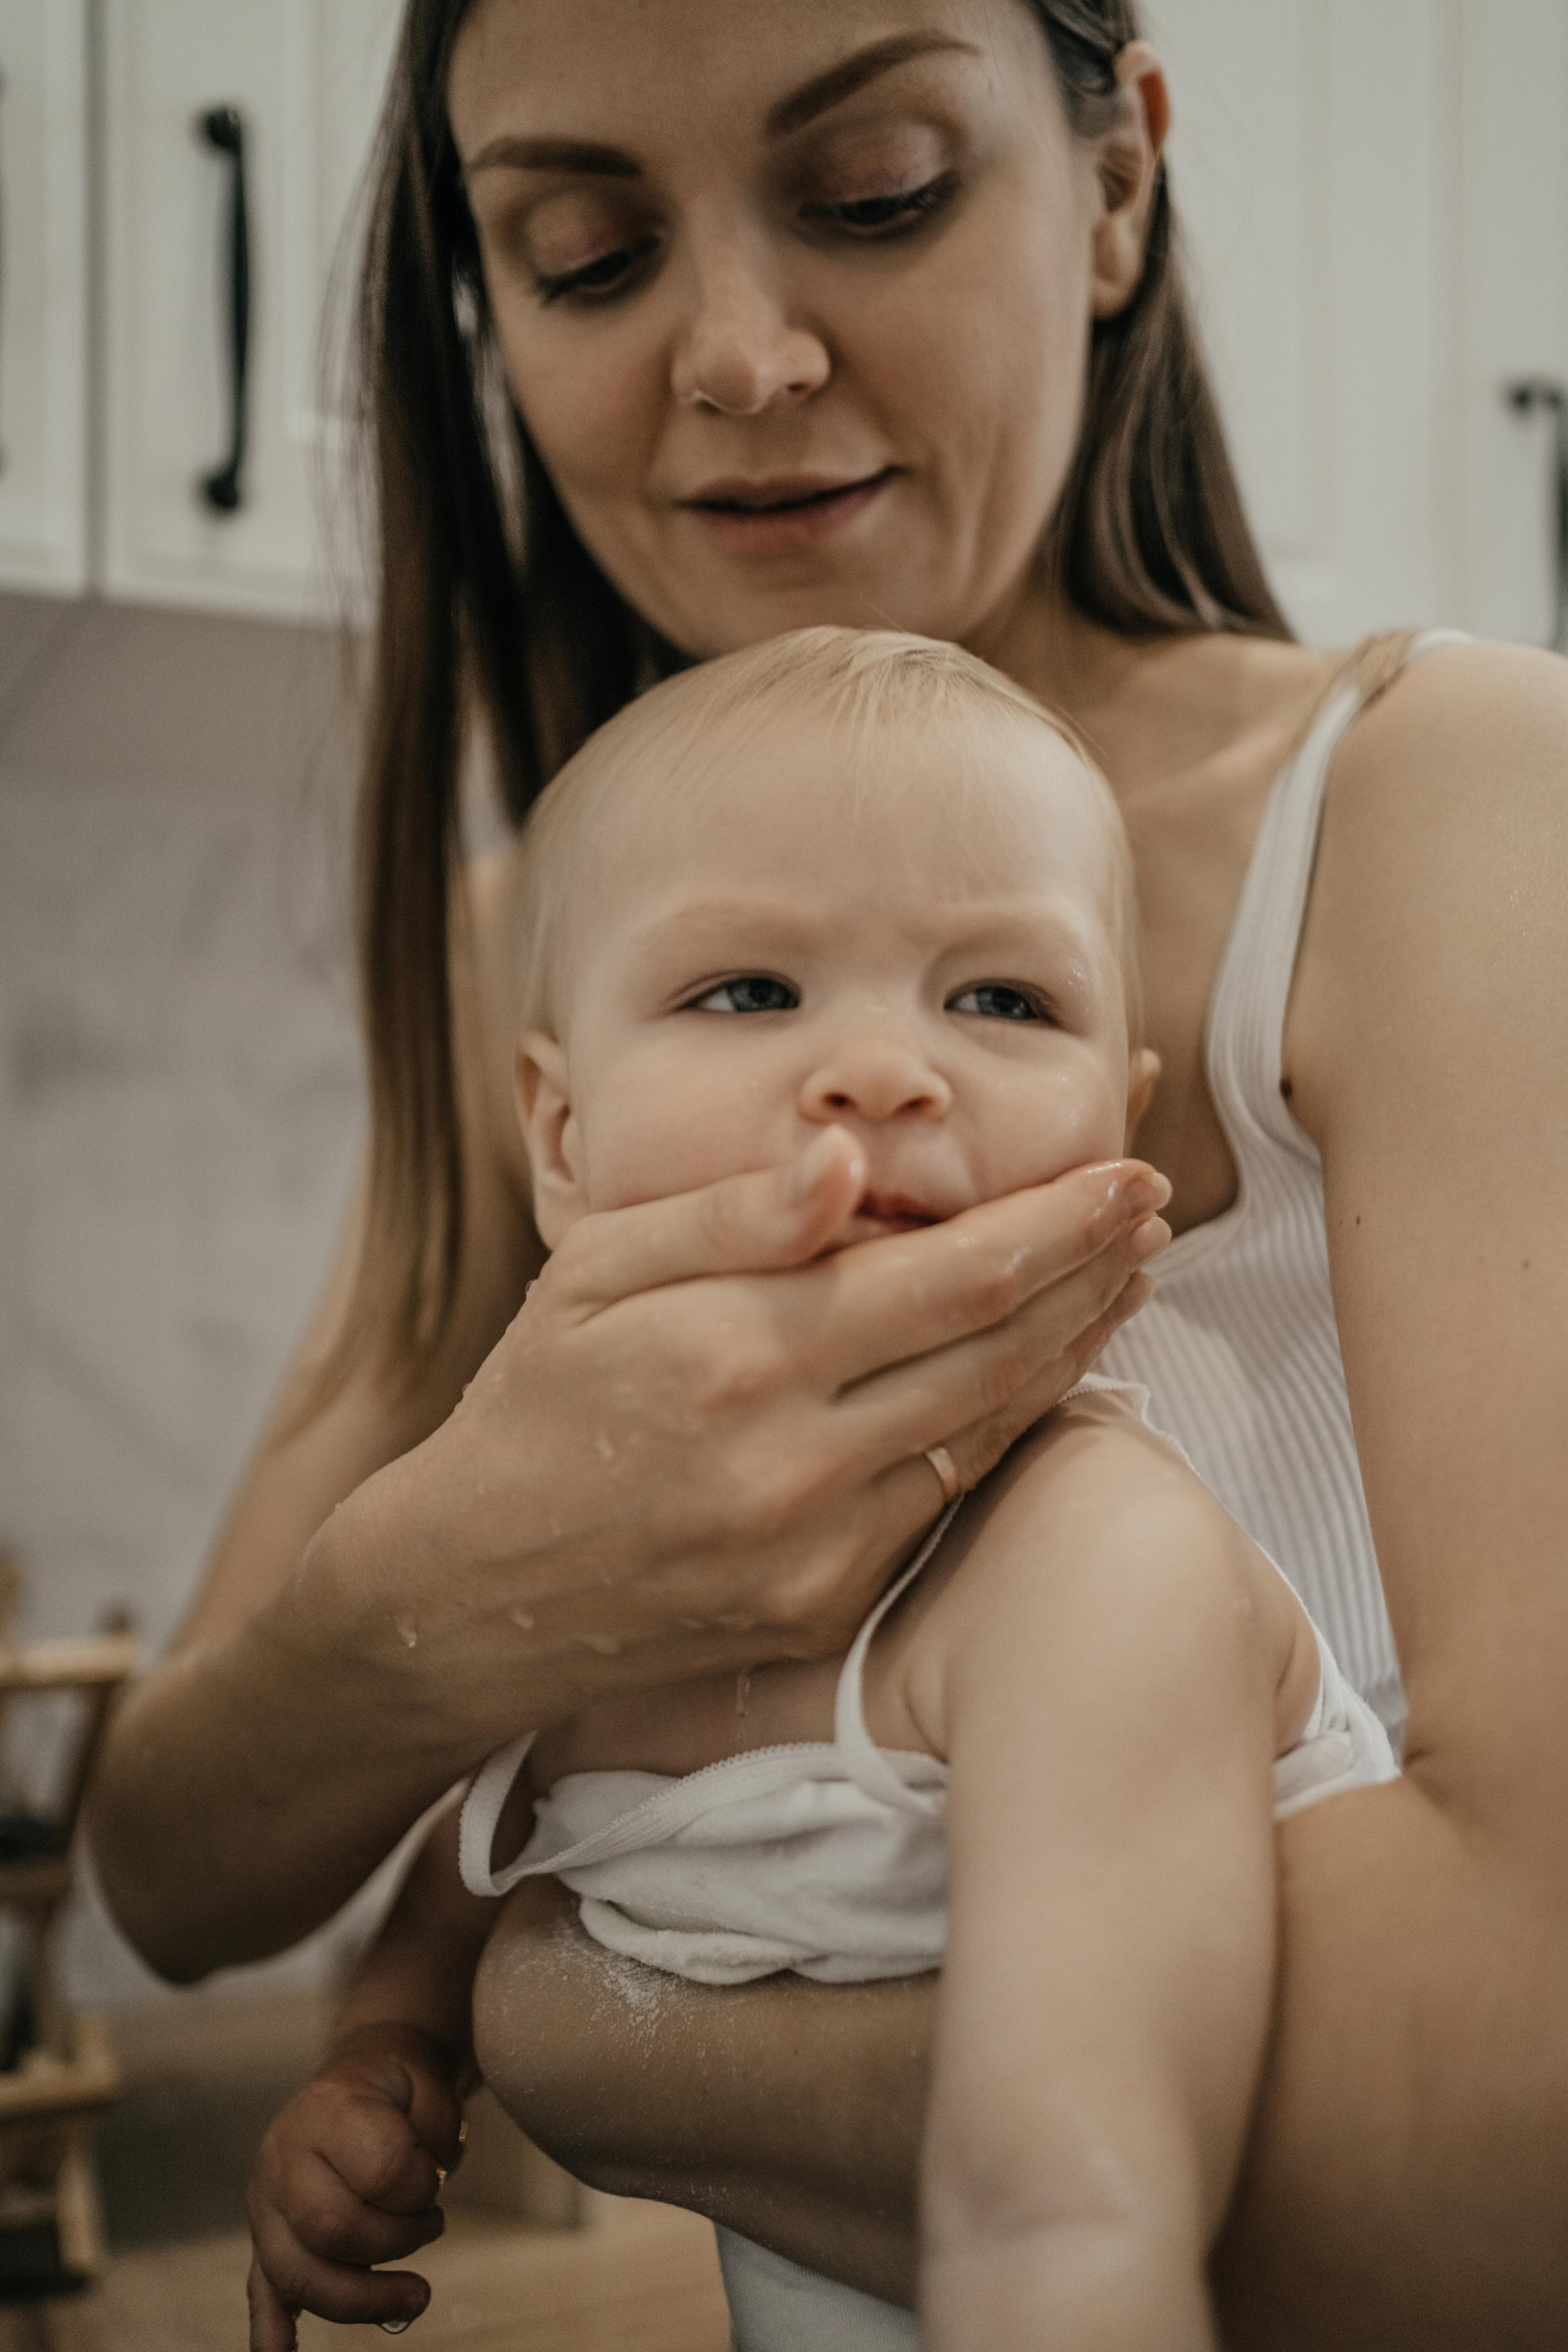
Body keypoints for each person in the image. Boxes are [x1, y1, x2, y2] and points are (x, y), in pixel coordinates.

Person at [85, 1, 1568, 2340]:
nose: (744, 354)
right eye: (584, 254)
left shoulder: (1454, 802)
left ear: (1111, 181)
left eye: (873, 190)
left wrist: (581, 2026)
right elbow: (166, 1862)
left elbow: (1520, 2128)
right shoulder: (540, 959)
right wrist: (479, 1591)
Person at [243, 629, 1397, 2352]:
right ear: (561, 1141)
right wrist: (389, 2052)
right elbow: (491, 1840)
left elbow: (1071, 2200)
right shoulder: (588, 1585)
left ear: (1119, 1126)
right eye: (751, 993)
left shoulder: (1087, 1559)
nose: (884, 1070)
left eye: (1003, 1001)